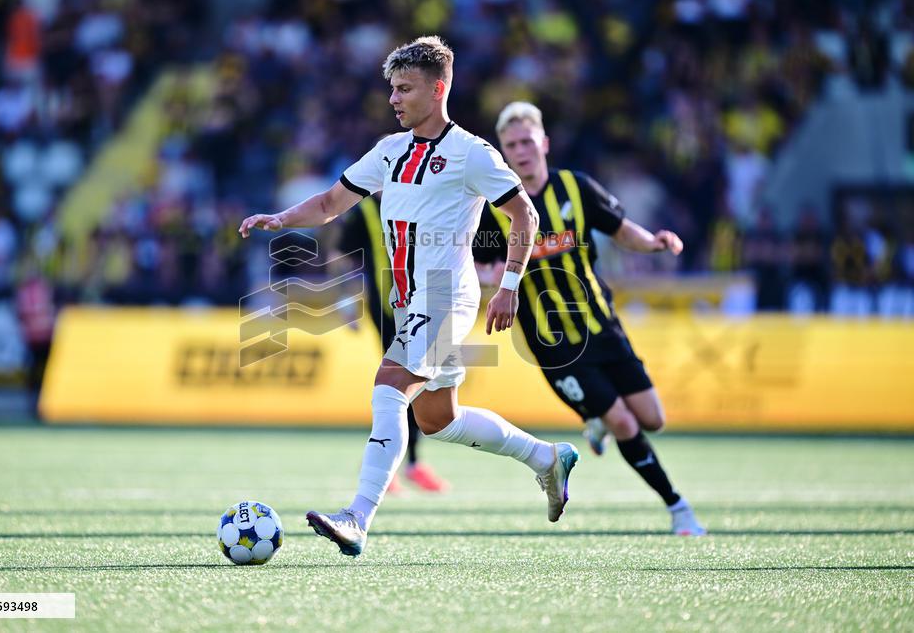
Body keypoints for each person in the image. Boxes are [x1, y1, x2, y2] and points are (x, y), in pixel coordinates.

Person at [240, 37, 579, 556]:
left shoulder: (472, 153)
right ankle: (547, 458)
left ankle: (357, 517)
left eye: (405, 88)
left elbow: (524, 215)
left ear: (438, 88)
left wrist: (509, 285)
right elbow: (332, 203)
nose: (394, 99)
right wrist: (282, 218)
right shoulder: (389, 151)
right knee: (437, 419)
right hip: (409, 301)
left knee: (389, 384)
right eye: (391, 89)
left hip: (445, 295)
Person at [475, 101, 705, 536]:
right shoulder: (494, 209)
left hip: (601, 325)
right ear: (504, 154)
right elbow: (481, 265)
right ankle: (678, 508)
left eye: (527, 141)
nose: (521, 151)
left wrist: (654, 242)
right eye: (511, 145)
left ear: (543, 143)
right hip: (553, 344)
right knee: (625, 423)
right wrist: (491, 277)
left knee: (652, 419)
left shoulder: (576, 189)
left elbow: (620, 229)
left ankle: (595, 419)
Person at [334, 194, 450, 493]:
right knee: (399, 385)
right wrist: (345, 298)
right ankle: (397, 465)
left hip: (425, 304)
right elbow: (343, 254)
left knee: (420, 385)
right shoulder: (365, 211)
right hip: (386, 310)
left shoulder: (423, 199)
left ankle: (406, 463)